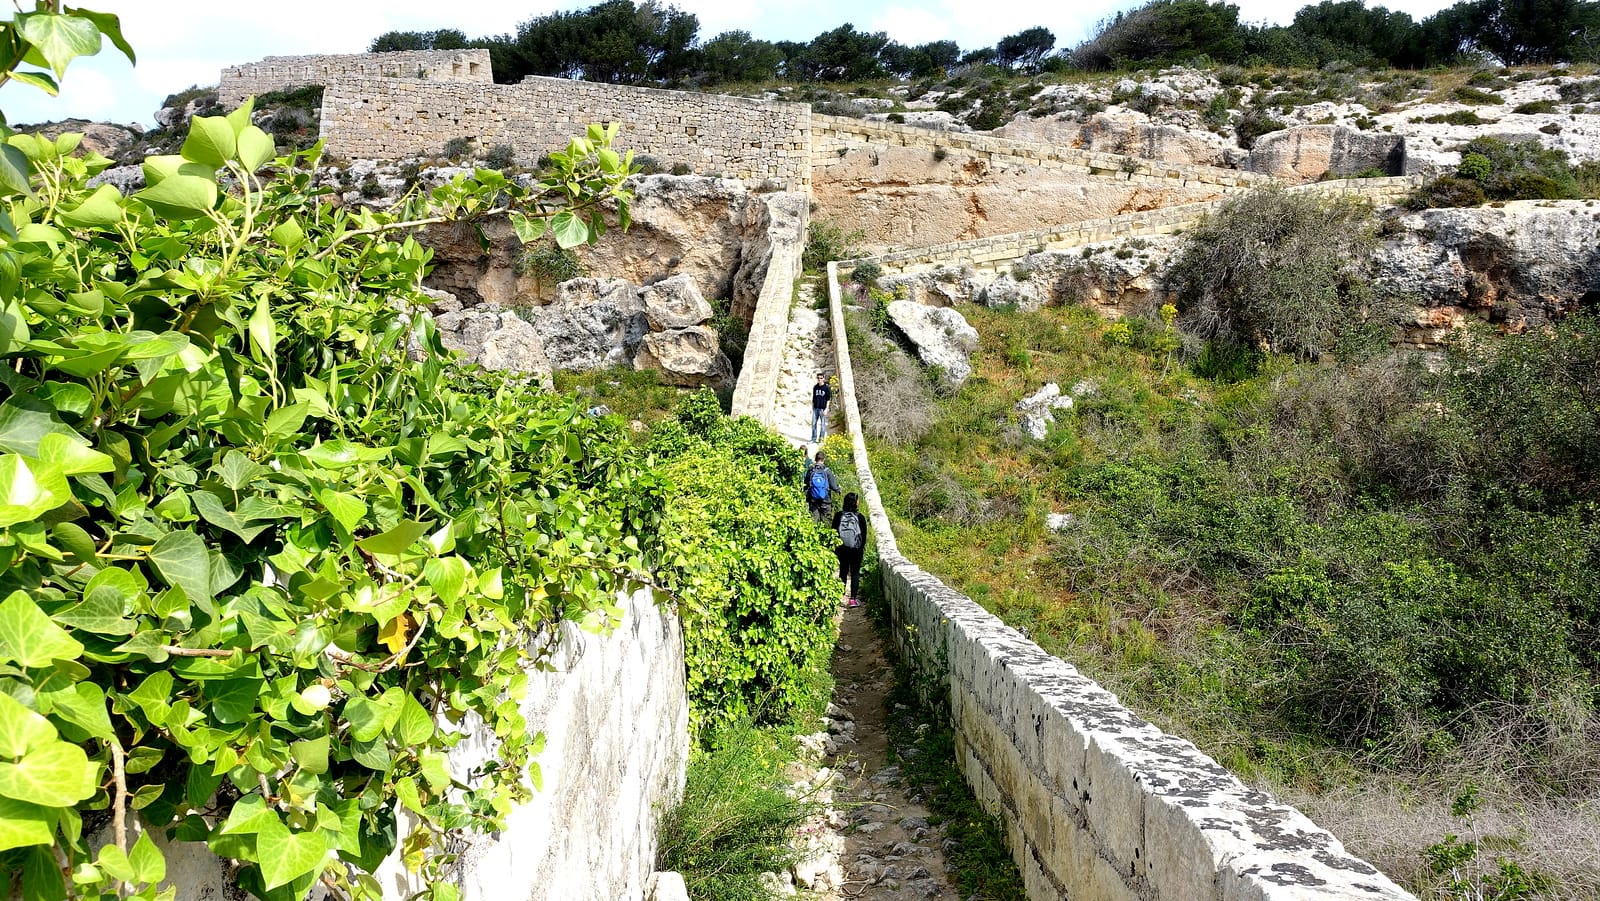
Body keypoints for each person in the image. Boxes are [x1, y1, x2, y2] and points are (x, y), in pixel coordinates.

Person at [833, 493, 868, 607]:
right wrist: (860, 549)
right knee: (855, 573)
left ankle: (841, 597)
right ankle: (852, 600)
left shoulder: (838, 515)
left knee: (843, 572)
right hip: (855, 550)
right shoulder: (860, 517)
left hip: (842, 549)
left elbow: (833, 532)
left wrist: (836, 549)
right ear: (855, 502)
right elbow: (864, 536)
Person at [804, 449, 840, 522]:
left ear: (815, 459)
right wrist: (838, 489)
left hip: (813, 498)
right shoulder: (827, 471)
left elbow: (806, 483)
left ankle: (813, 532)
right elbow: (833, 486)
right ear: (824, 459)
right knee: (826, 519)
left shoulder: (811, 469)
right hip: (825, 499)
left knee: (813, 518)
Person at [810, 372, 832, 443]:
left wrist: (826, 409)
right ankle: (813, 439)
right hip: (815, 408)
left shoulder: (826, 388)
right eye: (818, 378)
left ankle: (821, 440)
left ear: (824, 378)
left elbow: (828, 399)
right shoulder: (815, 387)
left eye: (821, 378)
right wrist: (812, 407)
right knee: (813, 424)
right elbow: (814, 397)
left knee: (822, 425)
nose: (819, 380)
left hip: (822, 409)